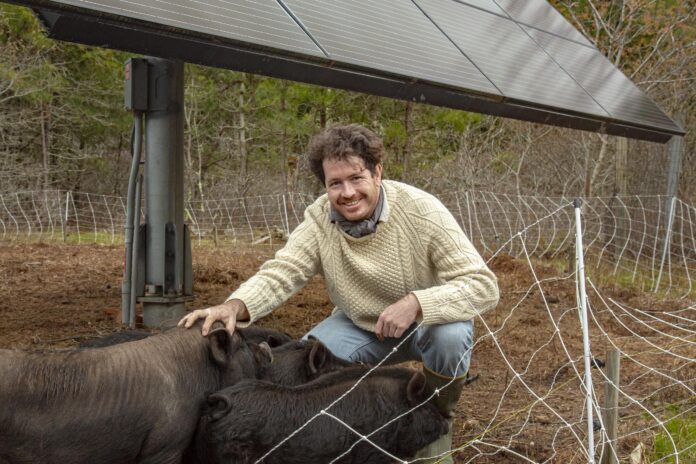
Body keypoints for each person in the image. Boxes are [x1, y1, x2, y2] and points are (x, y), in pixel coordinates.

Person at [179, 123, 499, 463]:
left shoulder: (422, 210)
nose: (347, 192)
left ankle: (435, 426)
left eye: (356, 178)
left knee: (450, 336)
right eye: (335, 183)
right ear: (325, 186)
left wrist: (417, 302)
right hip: (362, 325)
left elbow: (483, 285)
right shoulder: (319, 220)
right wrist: (235, 305)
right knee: (304, 361)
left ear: (377, 173)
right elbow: (284, 270)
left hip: (426, 323)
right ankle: (341, 442)